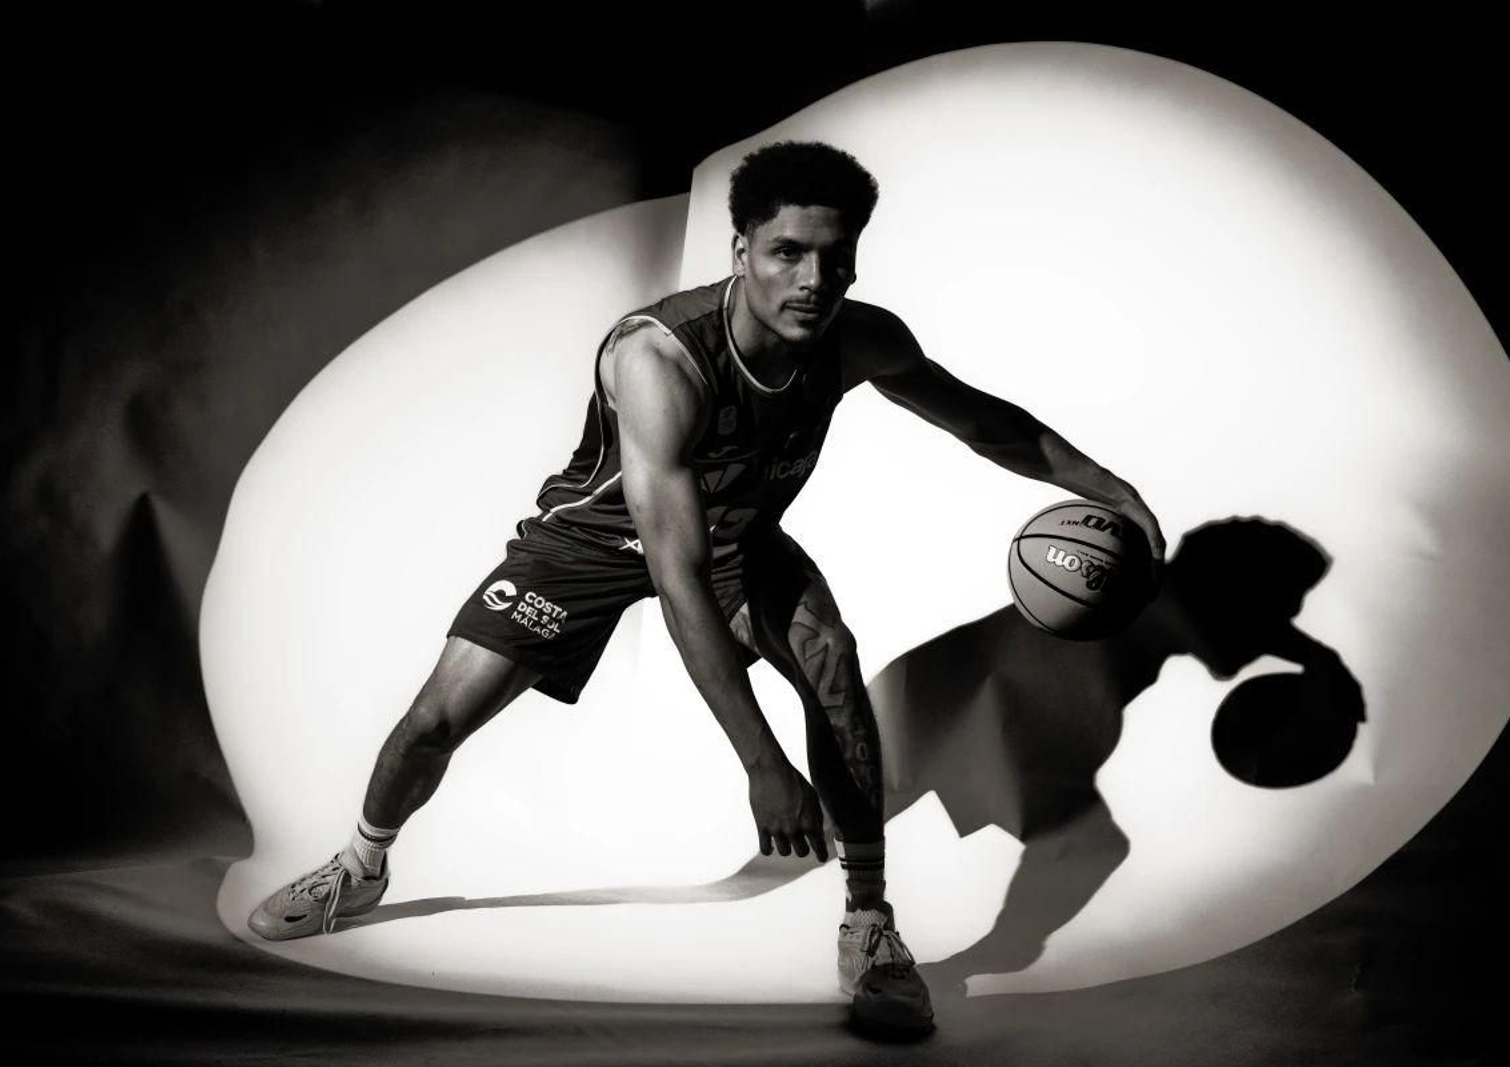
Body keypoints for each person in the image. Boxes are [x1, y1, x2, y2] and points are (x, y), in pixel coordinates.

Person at [247, 140, 1165, 1034]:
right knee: (434, 721)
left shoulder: (860, 340)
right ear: (740, 250)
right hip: (598, 539)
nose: (813, 280)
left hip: (735, 538)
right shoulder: (659, 359)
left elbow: (985, 422)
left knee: (830, 658)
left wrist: (1112, 490)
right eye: (787, 253)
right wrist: (763, 764)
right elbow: (675, 576)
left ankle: (870, 924)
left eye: (835, 258)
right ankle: (360, 865)